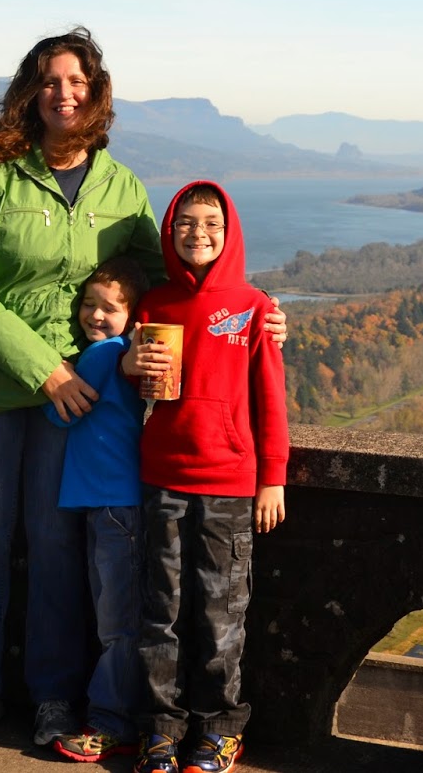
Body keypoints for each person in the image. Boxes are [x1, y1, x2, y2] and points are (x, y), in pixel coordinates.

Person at [0, 27, 286, 750]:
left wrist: (253, 316)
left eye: (76, 81)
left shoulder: (121, 187)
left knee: (55, 544)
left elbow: (166, 283)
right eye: (49, 81)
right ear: (29, 93)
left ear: (95, 93)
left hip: (81, 395)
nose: (62, 94)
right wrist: (45, 369)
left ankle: (54, 700)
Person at [130, 181, 289, 773]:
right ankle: (161, 729)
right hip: (163, 476)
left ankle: (219, 728)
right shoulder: (154, 305)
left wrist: (272, 477)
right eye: (186, 222)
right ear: (170, 230)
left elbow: (270, 399)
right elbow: (136, 389)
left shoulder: (255, 307)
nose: (198, 233)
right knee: (161, 611)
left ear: (230, 232)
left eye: (211, 223)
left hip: (229, 481)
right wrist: (128, 364)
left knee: (221, 612)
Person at [43, 256, 152, 763]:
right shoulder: (117, 352)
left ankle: (112, 722)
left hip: (112, 503)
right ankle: (115, 717)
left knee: (117, 622)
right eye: (89, 303)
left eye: (110, 307)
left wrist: (56, 371)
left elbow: (61, 413)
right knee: (117, 616)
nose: (96, 315)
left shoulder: (105, 354)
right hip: (111, 500)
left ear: (132, 317)